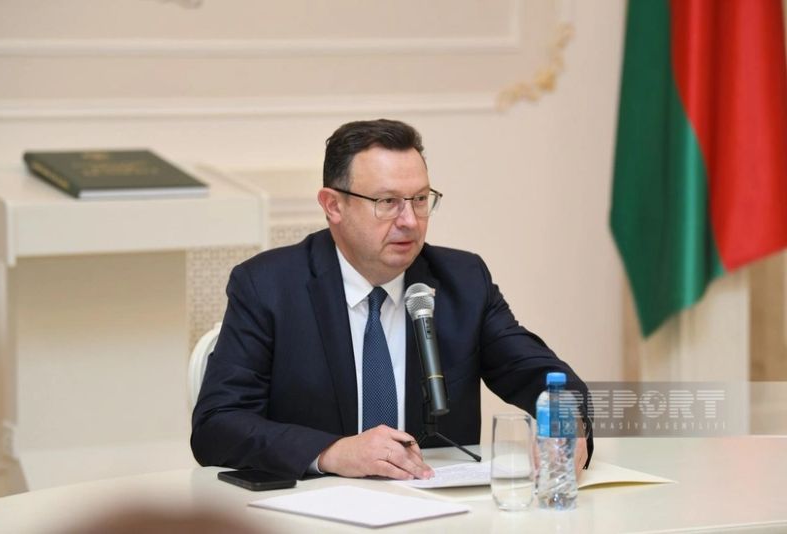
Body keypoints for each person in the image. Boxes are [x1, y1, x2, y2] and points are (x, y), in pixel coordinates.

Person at [191, 119, 592, 480]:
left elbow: (541, 375)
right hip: (310, 512)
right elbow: (217, 424)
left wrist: (567, 419)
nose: (410, 221)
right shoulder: (268, 286)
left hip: (438, 512)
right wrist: (331, 452)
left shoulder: (463, 281)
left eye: (420, 199)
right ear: (333, 205)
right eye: (387, 202)